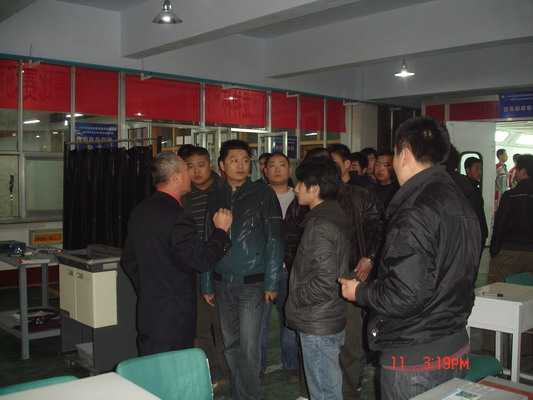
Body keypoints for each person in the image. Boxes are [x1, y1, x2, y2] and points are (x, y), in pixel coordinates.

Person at [339, 117, 481, 400]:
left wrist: (360, 292)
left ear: (403, 153)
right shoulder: (458, 199)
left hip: (415, 355)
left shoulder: (415, 209)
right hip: (454, 342)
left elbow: (404, 294)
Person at [121, 152, 233, 356]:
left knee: (152, 364)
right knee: (173, 366)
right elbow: (201, 261)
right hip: (174, 314)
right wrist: (221, 231)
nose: (190, 174)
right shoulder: (178, 216)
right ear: (176, 177)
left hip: (149, 307)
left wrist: (151, 287)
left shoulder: (140, 210)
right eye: (186, 169)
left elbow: (129, 260)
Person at [200, 140, 284, 400]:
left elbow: (275, 239)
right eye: (234, 160)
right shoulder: (215, 195)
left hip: (253, 283)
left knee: (249, 347)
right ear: (222, 165)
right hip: (222, 281)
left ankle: (250, 396)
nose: (240, 165)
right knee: (230, 345)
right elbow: (207, 240)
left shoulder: (263, 194)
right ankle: (240, 394)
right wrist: (206, 282)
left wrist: (272, 282)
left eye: (245, 160)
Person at [285, 158, 351, 400]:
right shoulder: (332, 215)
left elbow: (325, 281)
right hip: (326, 315)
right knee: (328, 386)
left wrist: (295, 298)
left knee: (324, 391)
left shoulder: (321, 224)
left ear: (314, 189)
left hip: (318, 320)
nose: (295, 188)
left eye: (299, 183)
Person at [182, 146, 229, 385]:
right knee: (199, 327)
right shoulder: (184, 196)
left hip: (222, 267)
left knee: (222, 326)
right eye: (190, 167)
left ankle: (228, 372)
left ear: (210, 164)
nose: (196, 171)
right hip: (194, 268)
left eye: (201, 165)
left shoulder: (224, 191)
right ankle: (208, 373)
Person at [260, 152, 299, 380]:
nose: (277, 169)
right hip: (263, 269)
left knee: (290, 319)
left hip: (292, 269)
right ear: (264, 170)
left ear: (289, 169)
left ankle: (291, 364)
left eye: (282, 165)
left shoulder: (300, 196)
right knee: (260, 322)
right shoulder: (257, 196)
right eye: (272, 165)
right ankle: (258, 368)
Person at [489, 154, 533, 283]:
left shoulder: (510, 195)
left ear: (523, 171)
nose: (515, 173)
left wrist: (494, 250)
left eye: (517, 169)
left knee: (498, 289)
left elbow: (500, 224)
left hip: (509, 251)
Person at [447, 148, 488, 251]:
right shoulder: (468, 189)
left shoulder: (473, 187)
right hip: (473, 234)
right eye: (477, 169)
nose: (480, 172)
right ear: (467, 170)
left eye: (481, 169)